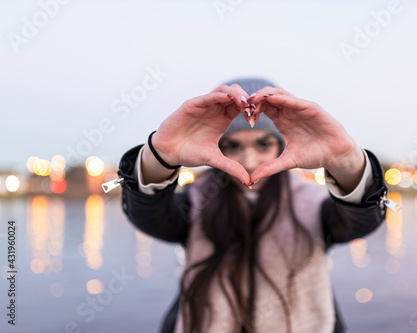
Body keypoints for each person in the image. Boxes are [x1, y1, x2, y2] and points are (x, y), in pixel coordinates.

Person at [118, 78, 388, 333]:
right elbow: (150, 215)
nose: (249, 160)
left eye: (263, 143)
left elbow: (360, 220)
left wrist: (346, 162)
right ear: (217, 148)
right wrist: (160, 157)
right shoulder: (196, 201)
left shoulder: (315, 204)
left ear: (282, 144)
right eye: (233, 146)